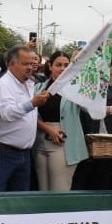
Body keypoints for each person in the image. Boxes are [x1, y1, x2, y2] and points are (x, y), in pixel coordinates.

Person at [0, 45, 50, 191]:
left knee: (19, 201)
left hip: (25, 154)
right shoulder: (3, 85)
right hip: (5, 154)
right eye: (25, 64)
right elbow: (7, 113)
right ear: (11, 64)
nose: (30, 68)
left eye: (32, 64)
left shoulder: (29, 83)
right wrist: (32, 103)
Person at [34, 52, 75, 191]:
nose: (62, 68)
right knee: (43, 191)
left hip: (62, 143)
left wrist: (110, 109)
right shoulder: (39, 88)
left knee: (59, 191)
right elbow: (29, 115)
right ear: (50, 66)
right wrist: (47, 129)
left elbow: (89, 107)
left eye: (66, 65)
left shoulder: (74, 89)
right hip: (40, 143)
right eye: (58, 65)